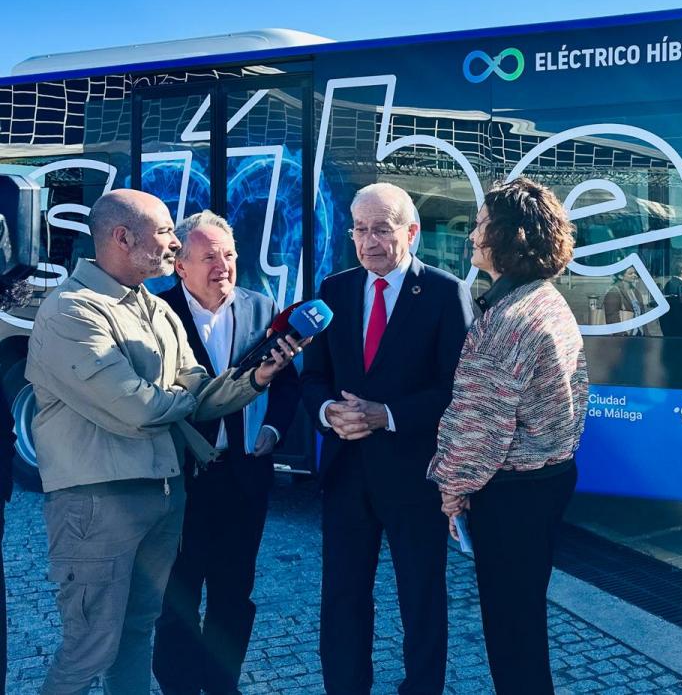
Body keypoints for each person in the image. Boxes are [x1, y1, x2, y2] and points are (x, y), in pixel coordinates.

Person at [25, 189, 298, 695]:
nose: (174, 243)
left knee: (135, 635)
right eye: (166, 231)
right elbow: (140, 409)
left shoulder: (155, 310)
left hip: (162, 496)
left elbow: (200, 393)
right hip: (98, 505)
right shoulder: (70, 310)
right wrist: (183, 398)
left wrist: (256, 379)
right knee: (89, 649)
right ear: (123, 238)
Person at [300, 182, 474, 695]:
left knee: (421, 598)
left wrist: (388, 415)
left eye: (381, 229)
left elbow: (457, 389)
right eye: (359, 230)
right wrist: (329, 411)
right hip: (346, 473)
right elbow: (314, 377)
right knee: (342, 597)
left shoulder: (444, 293)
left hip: (414, 476)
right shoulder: (334, 290)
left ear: (411, 232)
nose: (369, 241)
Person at [430, 177, 588, 695]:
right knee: (524, 622)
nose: (472, 235)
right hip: (548, 478)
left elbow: (478, 425)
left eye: (480, 224)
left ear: (508, 236)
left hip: (512, 491)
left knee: (511, 631)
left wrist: (452, 489)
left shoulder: (508, 320)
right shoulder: (548, 301)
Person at [152, 211, 300, 695]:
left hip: (243, 478)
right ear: (181, 265)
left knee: (234, 596)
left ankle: (222, 685)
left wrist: (274, 430)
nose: (223, 266)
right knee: (178, 596)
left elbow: (288, 385)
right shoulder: (157, 314)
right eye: (210, 257)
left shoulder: (262, 308)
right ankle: (179, 687)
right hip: (182, 481)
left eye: (230, 255)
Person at [602, 265, 650, 335]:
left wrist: (646, 334)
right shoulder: (614, 292)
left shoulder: (636, 292)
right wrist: (621, 335)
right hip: (625, 335)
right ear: (620, 276)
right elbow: (612, 317)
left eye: (635, 273)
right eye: (630, 273)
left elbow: (642, 315)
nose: (634, 275)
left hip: (639, 334)